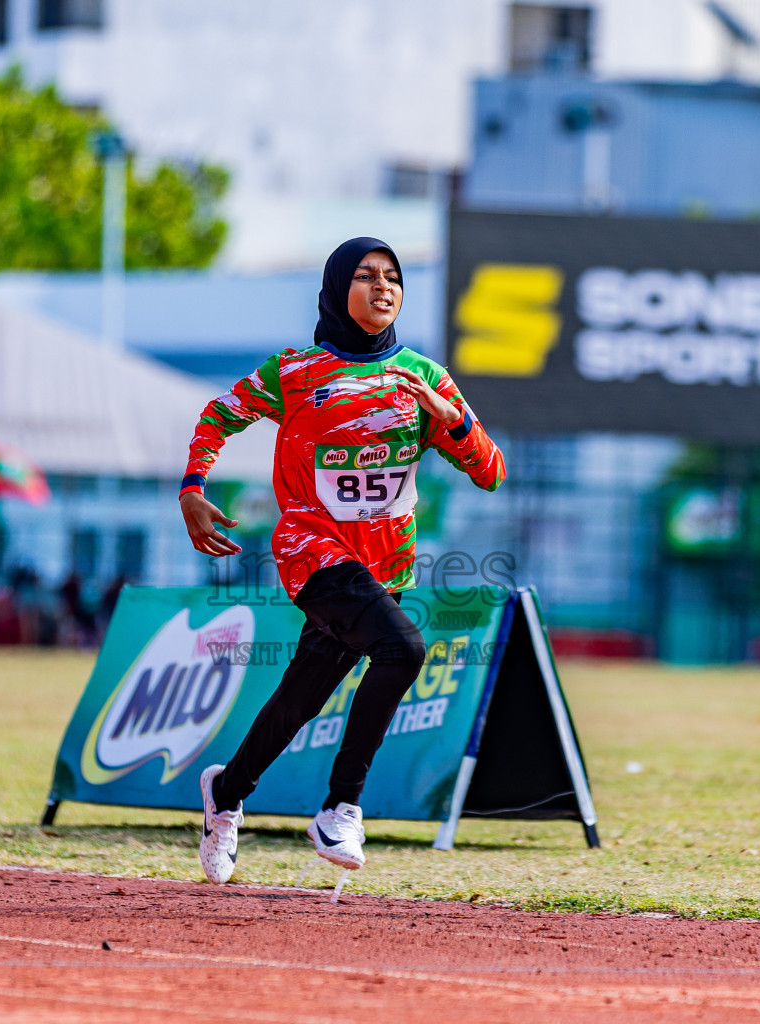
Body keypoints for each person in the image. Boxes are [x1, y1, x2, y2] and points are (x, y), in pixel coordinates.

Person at [178, 237, 505, 884]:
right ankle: (341, 806)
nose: (383, 288)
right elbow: (218, 417)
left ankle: (226, 790)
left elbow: (492, 473)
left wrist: (454, 423)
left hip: (386, 566)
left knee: (301, 695)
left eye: (393, 278)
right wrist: (193, 489)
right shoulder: (296, 372)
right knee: (404, 650)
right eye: (365, 276)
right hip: (311, 549)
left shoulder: (426, 379)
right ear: (334, 289)